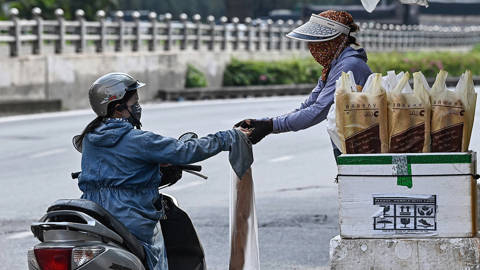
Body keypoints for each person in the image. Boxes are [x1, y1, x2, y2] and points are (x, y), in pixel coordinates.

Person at [73, 72, 249, 270]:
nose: (138, 108)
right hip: (131, 214)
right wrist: (228, 137)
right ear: (119, 108)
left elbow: (117, 163)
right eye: (135, 103)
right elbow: (185, 150)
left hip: (95, 213)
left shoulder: (90, 137)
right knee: (154, 259)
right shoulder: (136, 139)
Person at [235, 10, 372, 161]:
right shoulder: (333, 66)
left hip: (362, 146)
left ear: (332, 41)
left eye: (316, 41)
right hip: (350, 144)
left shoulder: (348, 66)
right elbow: (309, 104)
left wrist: (271, 126)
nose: (311, 47)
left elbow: (318, 110)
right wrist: (265, 123)